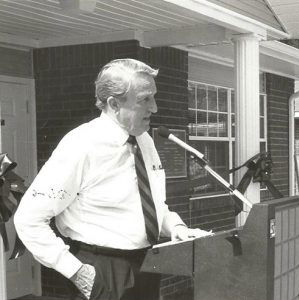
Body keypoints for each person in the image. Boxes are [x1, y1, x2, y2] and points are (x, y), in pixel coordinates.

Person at [14, 58, 211, 300]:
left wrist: (176, 227)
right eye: (144, 100)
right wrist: (77, 272)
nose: (155, 108)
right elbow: (29, 219)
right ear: (114, 104)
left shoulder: (144, 139)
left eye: (154, 97)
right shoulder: (82, 144)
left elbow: (150, 205)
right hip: (101, 270)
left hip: (146, 265)